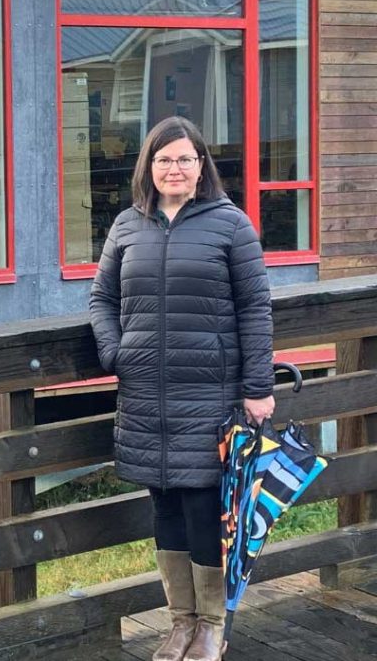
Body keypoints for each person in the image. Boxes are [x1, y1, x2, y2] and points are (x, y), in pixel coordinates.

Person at [89, 116, 275, 661]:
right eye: (164, 158)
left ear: (201, 167)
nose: (175, 168)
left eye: (185, 159)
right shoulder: (127, 225)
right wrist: (114, 353)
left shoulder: (230, 225)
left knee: (203, 507)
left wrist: (258, 386)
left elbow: (255, 310)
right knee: (164, 505)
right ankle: (179, 623)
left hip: (211, 396)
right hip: (146, 397)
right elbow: (101, 300)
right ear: (149, 166)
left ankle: (211, 625)